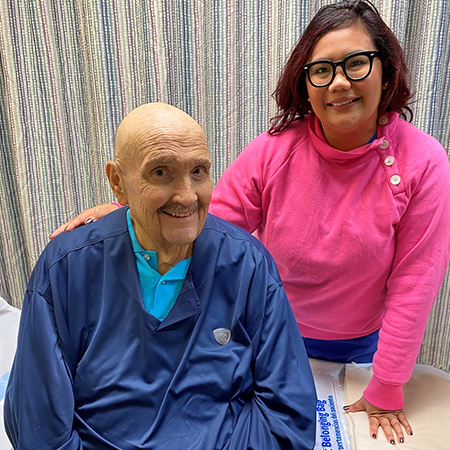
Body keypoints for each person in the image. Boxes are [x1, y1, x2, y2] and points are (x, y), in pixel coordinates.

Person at [49, 0, 450, 445]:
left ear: (386, 71)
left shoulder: (424, 163)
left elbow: (415, 282)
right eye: (322, 70)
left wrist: (389, 385)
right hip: (265, 336)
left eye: (356, 64)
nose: (339, 83)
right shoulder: (273, 151)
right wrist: (129, 215)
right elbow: (202, 221)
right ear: (306, 81)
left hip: (360, 348)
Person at [5, 103, 317, 450]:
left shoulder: (247, 265)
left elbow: (287, 414)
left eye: (198, 171)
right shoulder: (66, 267)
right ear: (118, 183)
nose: (186, 196)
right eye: (160, 173)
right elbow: (38, 424)